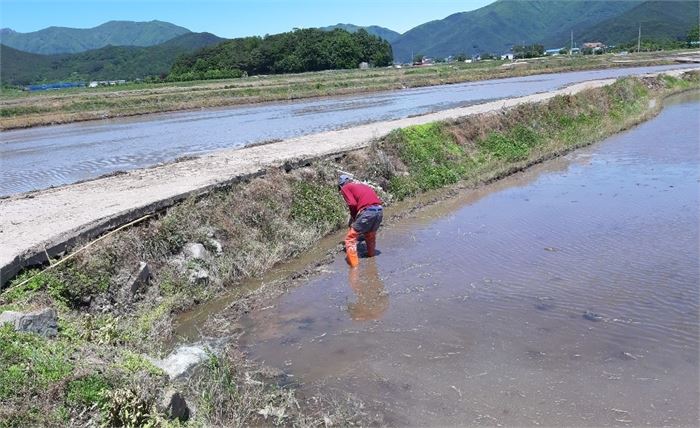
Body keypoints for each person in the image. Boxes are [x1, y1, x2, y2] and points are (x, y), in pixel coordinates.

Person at [338, 174, 383, 267]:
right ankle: (371, 257)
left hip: (367, 212)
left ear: (341, 185)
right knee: (370, 235)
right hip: (379, 211)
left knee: (350, 238)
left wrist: (354, 217)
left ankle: (354, 267)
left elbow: (352, 204)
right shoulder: (362, 185)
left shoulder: (345, 188)